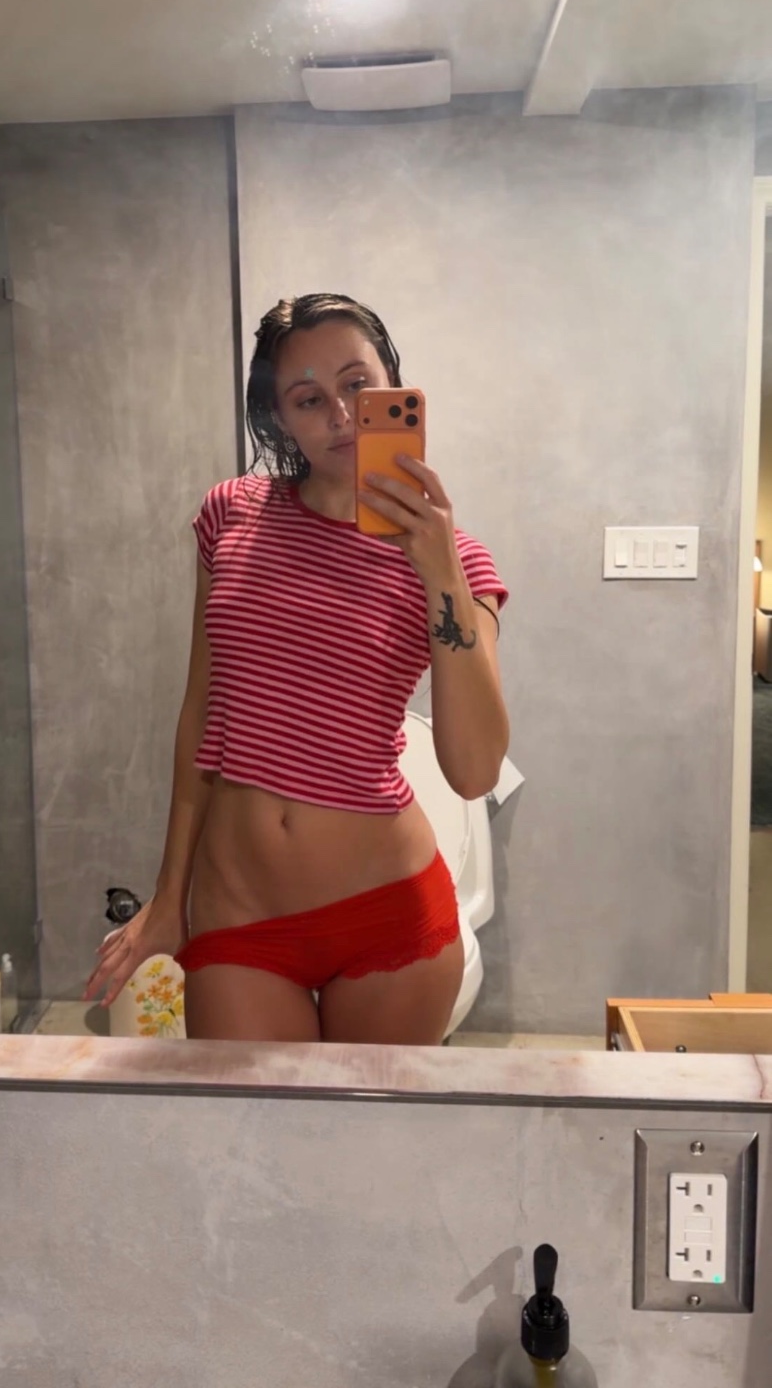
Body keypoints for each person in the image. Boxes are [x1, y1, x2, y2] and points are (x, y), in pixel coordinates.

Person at [85, 293, 509, 1045]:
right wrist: (168, 896)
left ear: (393, 386)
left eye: (357, 385)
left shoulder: (460, 561)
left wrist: (439, 569)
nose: (341, 417)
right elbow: (201, 712)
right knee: (253, 1123)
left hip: (387, 916)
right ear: (279, 417)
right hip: (238, 911)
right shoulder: (231, 514)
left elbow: (474, 771)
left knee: (361, 1126)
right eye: (309, 399)